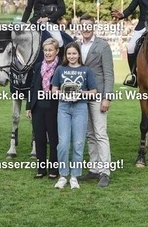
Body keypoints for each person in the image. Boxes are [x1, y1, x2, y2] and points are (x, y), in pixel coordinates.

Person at [52, 42, 97, 190]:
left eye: (74, 53)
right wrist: (66, 92)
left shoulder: (86, 70)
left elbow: (94, 91)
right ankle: (63, 175)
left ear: (79, 55)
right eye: (69, 53)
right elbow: (53, 90)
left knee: (78, 143)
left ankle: (74, 176)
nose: (71, 56)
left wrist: (80, 93)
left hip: (80, 107)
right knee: (63, 143)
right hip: (64, 108)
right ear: (66, 55)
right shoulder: (60, 69)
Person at [77, 14, 114, 187]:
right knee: (90, 134)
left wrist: (107, 97)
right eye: (83, 26)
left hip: (98, 96)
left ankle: (105, 172)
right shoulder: (76, 45)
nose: (86, 29)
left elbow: (108, 73)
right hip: (81, 96)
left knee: (100, 133)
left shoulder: (103, 45)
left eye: (89, 26)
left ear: (93, 27)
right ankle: (94, 169)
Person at [25, 38, 60, 180]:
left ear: (56, 51)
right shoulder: (38, 65)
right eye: (45, 50)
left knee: (54, 139)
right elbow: (32, 86)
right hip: (38, 107)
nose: (47, 53)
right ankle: (41, 169)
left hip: (54, 107)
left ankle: (54, 169)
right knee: (39, 138)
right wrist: (28, 106)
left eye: (50, 50)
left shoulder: (61, 67)